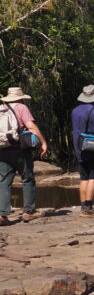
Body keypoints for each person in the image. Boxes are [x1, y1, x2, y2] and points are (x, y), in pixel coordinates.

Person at [0, 87, 48, 225]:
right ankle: (29, 212)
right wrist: (43, 142)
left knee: (4, 182)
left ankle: (2, 215)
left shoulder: (1, 108)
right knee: (27, 178)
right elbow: (31, 126)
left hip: (2, 151)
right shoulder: (21, 107)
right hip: (20, 150)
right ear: (20, 97)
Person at [70, 85, 94, 217]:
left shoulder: (75, 110)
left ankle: (83, 207)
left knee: (84, 178)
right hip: (93, 148)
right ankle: (88, 208)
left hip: (79, 147)